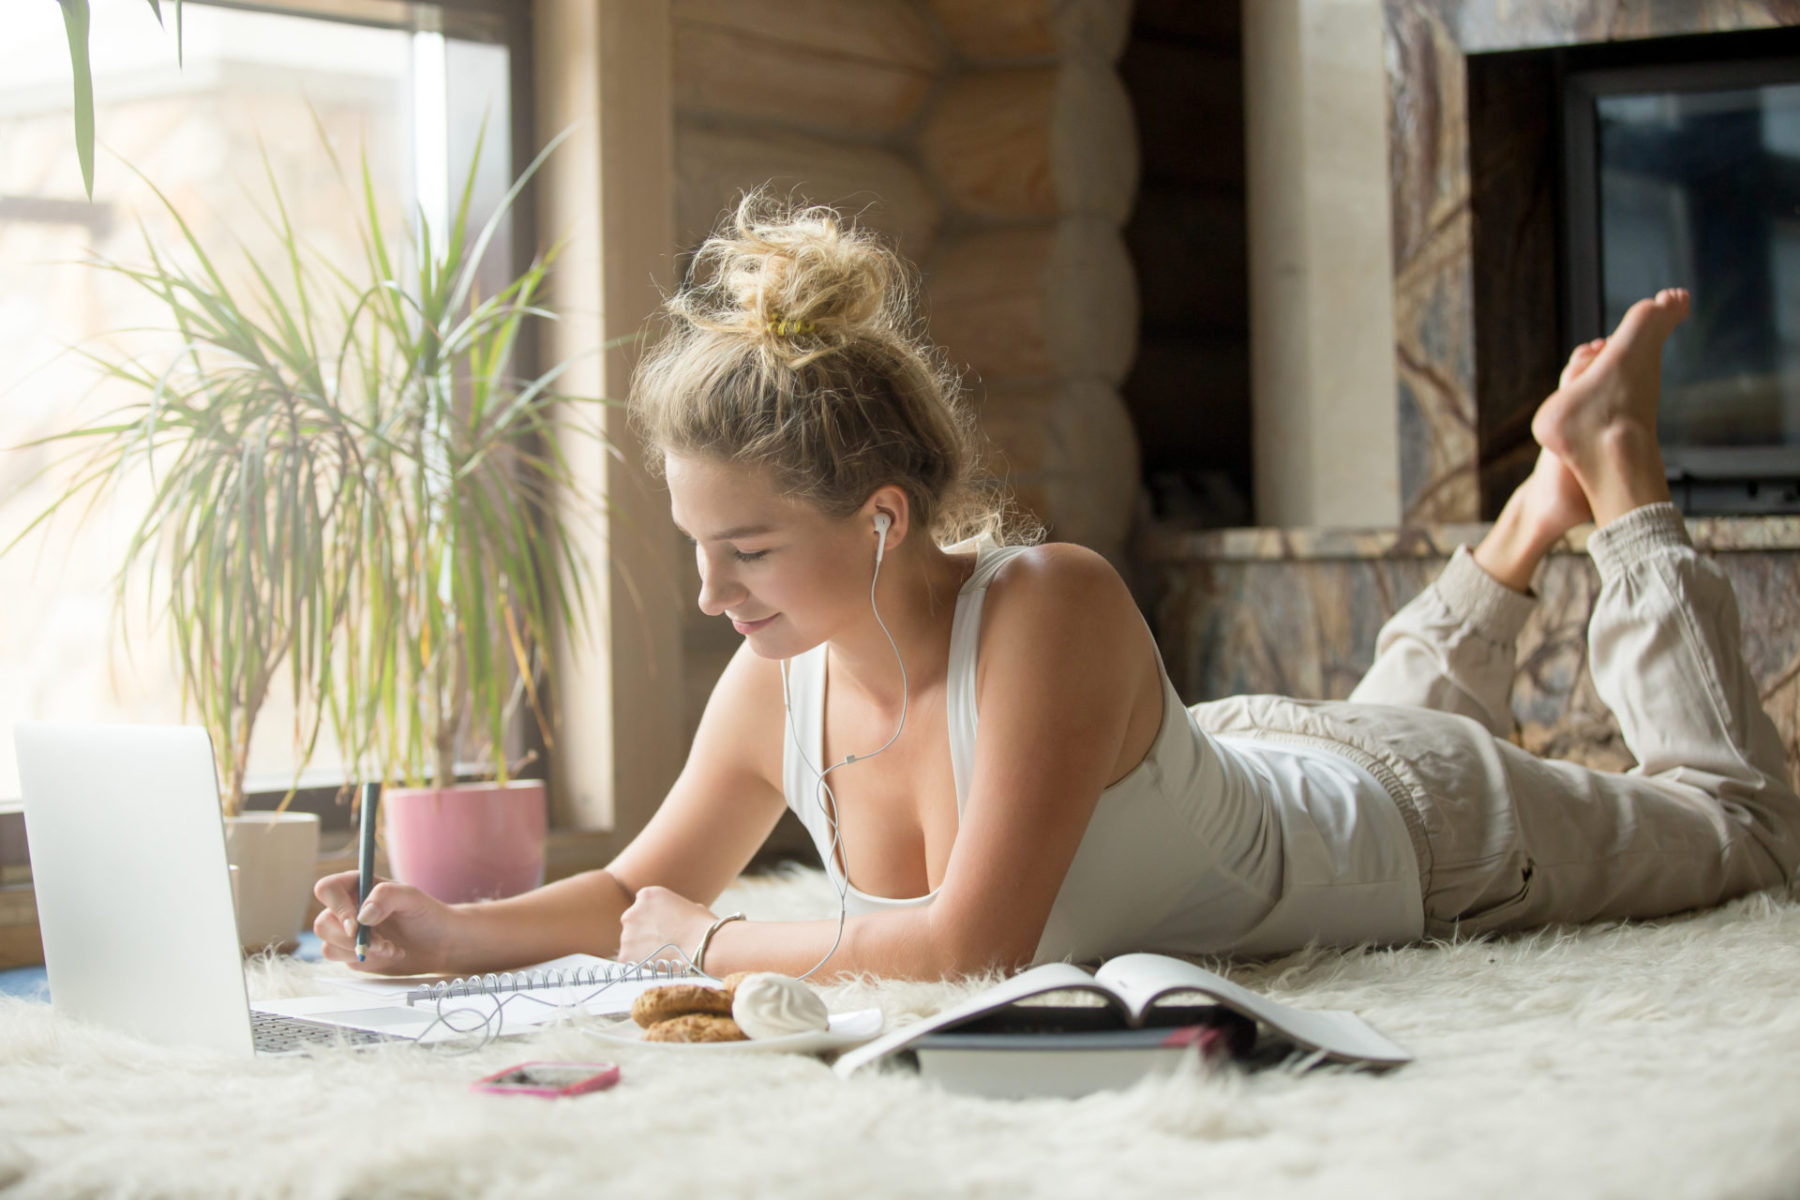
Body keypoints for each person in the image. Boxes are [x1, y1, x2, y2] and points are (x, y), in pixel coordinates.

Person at [313, 198, 1800, 982]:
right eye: (696, 548)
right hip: (1271, 755)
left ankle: (1616, 480)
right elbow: (642, 886)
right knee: (1354, 727)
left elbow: (972, 947)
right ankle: (1528, 517)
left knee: (1745, 836)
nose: (710, 594)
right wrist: (448, 927)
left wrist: (714, 946)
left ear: (883, 520)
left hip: (1430, 833)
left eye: (747, 550)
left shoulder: (1048, 606)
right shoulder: (778, 674)